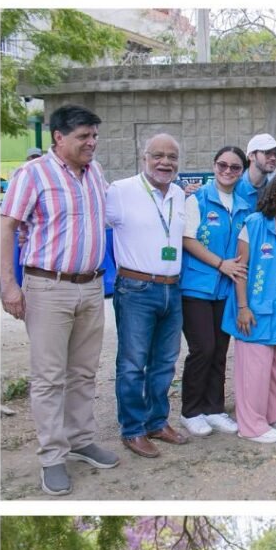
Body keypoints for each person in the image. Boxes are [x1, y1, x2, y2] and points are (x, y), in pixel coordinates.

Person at [0, 103, 118, 496]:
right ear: (59, 137)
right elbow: (7, 229)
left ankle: (81, 440)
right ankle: (53, 456)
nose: (92, 143)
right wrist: (8, 284)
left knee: (84, 372)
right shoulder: (32, 175)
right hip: (48, 287)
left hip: (90, 286)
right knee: (49, 377)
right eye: (84, 137)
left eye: (94, 136)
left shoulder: (95, 172)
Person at [106, 132, 190, 459]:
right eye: (158, 155)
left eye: (171, 157)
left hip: (172, 287)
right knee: (132, 364)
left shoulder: (180, 195)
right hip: (136, 289)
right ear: (144, 157)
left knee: (165, 363)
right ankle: (132, 429)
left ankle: (157, 421)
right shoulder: (121, 191)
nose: (165, 162)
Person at [222, 170, 276, 444]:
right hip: (256, 311)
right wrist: (243, 307)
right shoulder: (254, 224)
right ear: (274, 193)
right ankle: (251, 424)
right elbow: (240, 268)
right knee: (255, 371)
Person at [179, 145, 250, 437]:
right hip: (196, 286)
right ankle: (191, 410)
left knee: (220, 350)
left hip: (226, 290)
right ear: (214, 165)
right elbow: (188, 239)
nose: (228, 171)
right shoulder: (197, 200)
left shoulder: (245, 206)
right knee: (202, 348)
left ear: (242, 171)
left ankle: (214, 408)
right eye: (223, 165)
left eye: (235, 167)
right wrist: (220, 264)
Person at [236, 134, 276, 212]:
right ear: (251, 156)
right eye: (267, 152)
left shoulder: (275, 191)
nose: (273, 158)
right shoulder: (233, 186)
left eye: (275, 154)